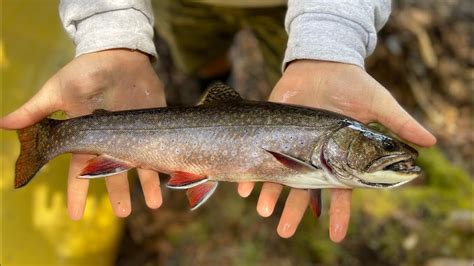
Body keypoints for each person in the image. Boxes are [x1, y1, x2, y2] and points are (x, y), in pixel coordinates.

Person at [0, 0, 436, 242]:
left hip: (296, 15)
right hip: (187, 7)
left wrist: (330, 42)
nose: (389, 155)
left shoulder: (326, 145)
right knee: (202, 57)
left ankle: (211, 88)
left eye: (381, 149)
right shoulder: (322, 152)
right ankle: (208, 81)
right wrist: (107, 31)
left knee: (259, 70)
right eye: (382, 147)